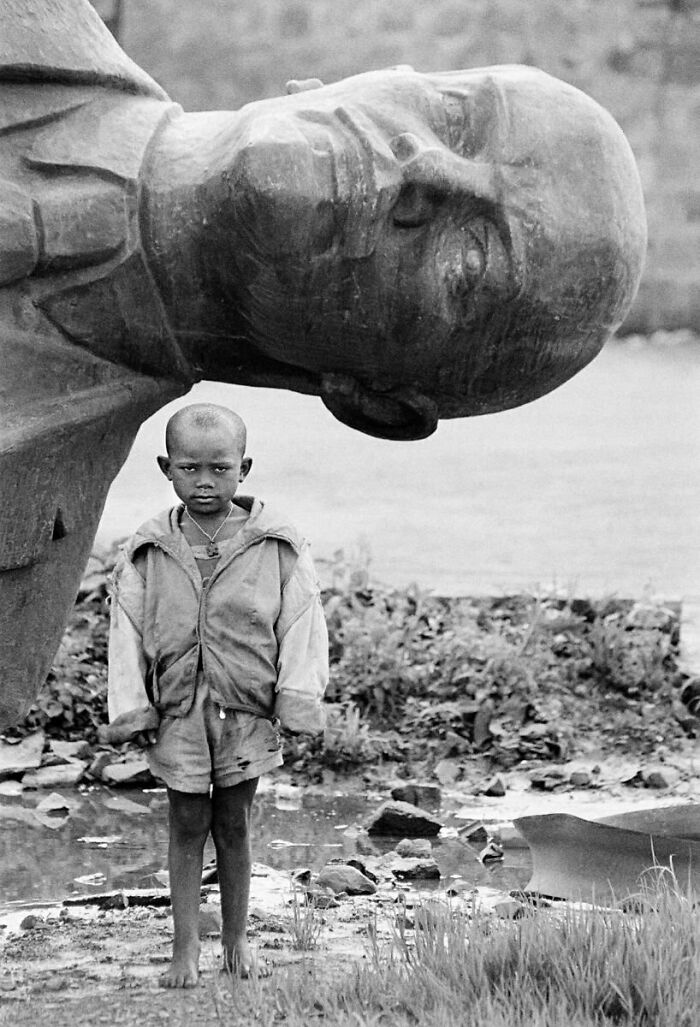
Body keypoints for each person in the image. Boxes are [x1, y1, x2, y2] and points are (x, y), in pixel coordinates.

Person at [104, 402, 329, 987]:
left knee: (234, 822)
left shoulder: (276, 544)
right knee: (185, 821)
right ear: (166, 468)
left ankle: (236, 941)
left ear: (244, 467)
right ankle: (184, 950)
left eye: (220, 469)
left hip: (246, 707)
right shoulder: (149, 547)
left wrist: (296, 696)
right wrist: (133, 706)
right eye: (190, 469)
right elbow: (125, 628)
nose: (204, 482)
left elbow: (303, 622)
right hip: (178, 706)